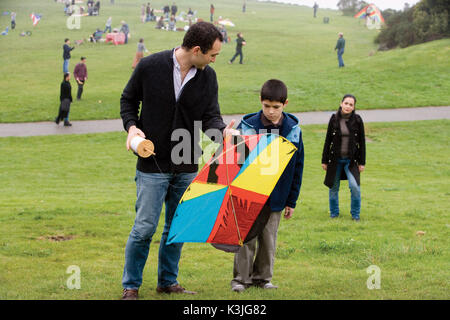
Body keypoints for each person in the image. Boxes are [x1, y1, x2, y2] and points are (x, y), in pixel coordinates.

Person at [119, 21, 237, 300]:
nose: (213, 60)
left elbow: (210, 117)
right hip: (152, 163)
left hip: (186, 162)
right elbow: (128, 99)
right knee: (145, 226)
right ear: (197, 50)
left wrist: (223, 132)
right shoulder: (150, 66)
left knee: (178, 226)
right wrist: (131, 126)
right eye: (212, 55)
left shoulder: (208, 77)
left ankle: (167, 281)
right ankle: (131, 286)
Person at [229, 79, 304, 292]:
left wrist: (291, 200)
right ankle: (240, 280)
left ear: (285, 104)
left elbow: (297, 167)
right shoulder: (248, 126)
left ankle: (263, 278)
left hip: (277, 196)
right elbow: (235, 160)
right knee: (246, 238)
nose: (271, 111)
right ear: (260, 102)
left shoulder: (293, 131)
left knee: (268, 239)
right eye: (266, 106)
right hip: (249, 193)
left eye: (276, 107)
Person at [321, 94, 366, 221]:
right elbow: (328, 140)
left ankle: (355, 215)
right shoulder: (334, 119)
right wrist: (324, 160)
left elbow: (361, 142)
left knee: (355, 187)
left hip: (351, 161)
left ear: (354, 107)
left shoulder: (357, 120)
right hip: (335, 160)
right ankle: (334, 214)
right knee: (334, 187)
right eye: (346, 103)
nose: (348, 106)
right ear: (341, 104)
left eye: (351, 104)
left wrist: (362, 162)